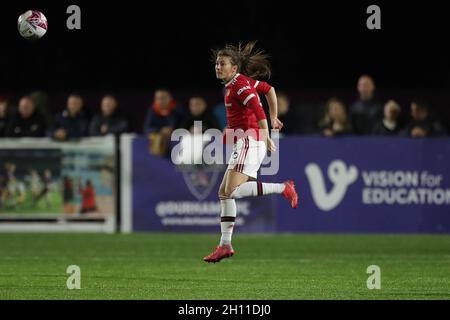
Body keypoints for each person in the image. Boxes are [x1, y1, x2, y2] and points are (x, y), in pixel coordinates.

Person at [203, 41, 298, 263]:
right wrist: (274, 116)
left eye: (222, 63)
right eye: (217, 63)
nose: (218, 67)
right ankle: (225, 245)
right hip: (244, 141)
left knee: (232, 191)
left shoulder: (239, 86)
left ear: (234, 67)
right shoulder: (238, 82)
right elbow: (269, 89)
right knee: (224, 193)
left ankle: (284, 187)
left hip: (250, 140)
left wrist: (266, 133)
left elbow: (257, 106)